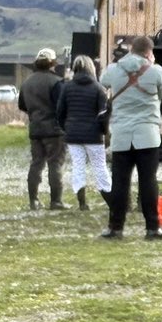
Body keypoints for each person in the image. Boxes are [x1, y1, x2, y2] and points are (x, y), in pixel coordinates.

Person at [98, 34, 162, 239]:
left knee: (120, 182)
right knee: (148, 182)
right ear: (149, 52)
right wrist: (150, 65)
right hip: (147, 134)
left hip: (121, 134)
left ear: (131, 50)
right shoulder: (155, 70)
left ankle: (115, 227)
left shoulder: (114, 69)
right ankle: (152, 228)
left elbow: (103, 81)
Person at [55, 54, 109, 210]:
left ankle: (82, 202)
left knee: (78, 167)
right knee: (100, 167)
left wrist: (66, 128)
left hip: (73, 134)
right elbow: (103, 114)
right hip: (94, 134)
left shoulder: (67, 87)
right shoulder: (99, 88)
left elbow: (60, 112)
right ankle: (110, 200)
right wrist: (104, 132)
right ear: (91, 68)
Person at [18, 49, 66, 210]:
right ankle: (56, 201)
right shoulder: (57, 82)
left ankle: (33, 200)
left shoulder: (26, 82)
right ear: (53, 63)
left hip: (35, 128)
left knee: (36, 163)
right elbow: (61, 107)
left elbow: (22, 105)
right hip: (54, 130)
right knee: (55, 163)